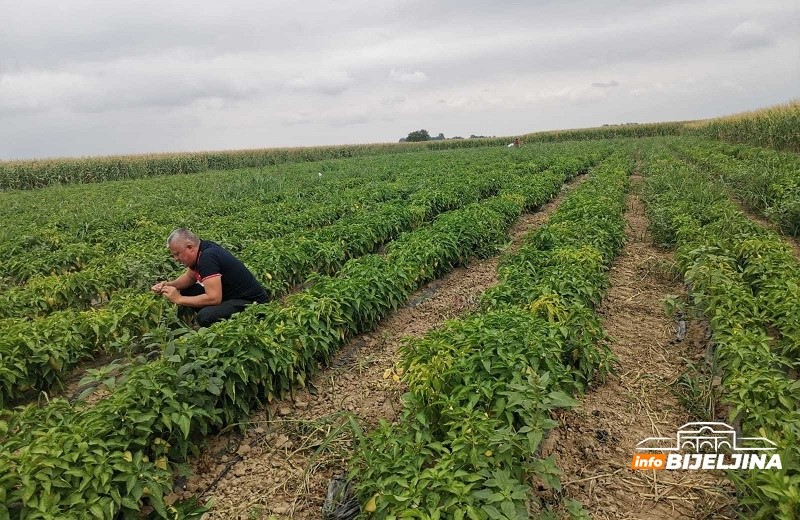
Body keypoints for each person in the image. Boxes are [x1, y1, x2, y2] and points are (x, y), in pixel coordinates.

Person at [151, 228, 268, 327]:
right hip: (229, 296)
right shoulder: (201, 249)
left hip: (251, 303)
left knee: (205, 316)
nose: (176, 259)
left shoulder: (207, 257)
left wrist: (178, 299)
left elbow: (214, 298)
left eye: (177, 254)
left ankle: (225, 332)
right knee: (187, 290)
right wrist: (168, 285)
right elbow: (190, 277)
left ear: (190, 247)